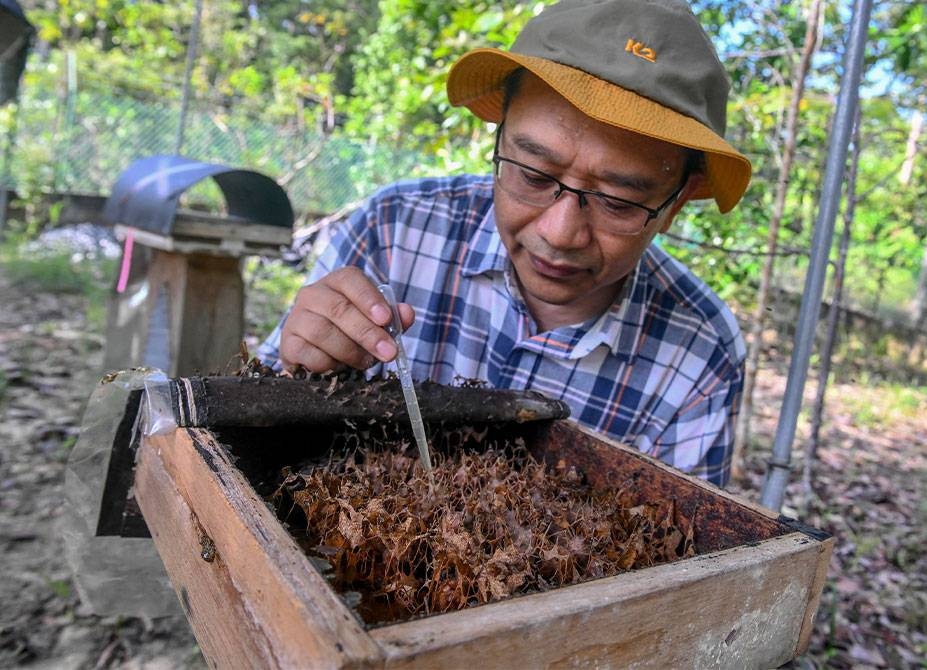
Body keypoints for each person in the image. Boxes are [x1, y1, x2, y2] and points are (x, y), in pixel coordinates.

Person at [259, 0, 752, 487]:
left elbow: (687, 552)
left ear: (676, 204)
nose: (559, 234)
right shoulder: (394, 231)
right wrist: (298, 366)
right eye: (534, 174)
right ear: (499, 139)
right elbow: (258, 410)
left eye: (618, 202)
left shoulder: (698, 353)